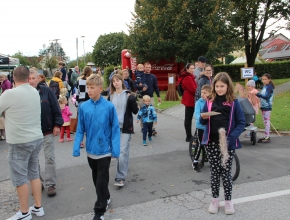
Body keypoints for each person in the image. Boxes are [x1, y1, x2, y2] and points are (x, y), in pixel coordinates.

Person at [73, 74, 120, 220]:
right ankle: (105, 197)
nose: (89, 90)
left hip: (105, 151)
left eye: (92, 88)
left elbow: (115, 128)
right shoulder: (84, 107)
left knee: (101, 180)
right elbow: (80, 128)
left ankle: (99, 212)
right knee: (96, 179)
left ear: (100, 89)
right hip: (90, 151)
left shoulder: (109, 107)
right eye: (88, 87)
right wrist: (76, 146)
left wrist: (116, 149)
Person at [0, 66, 45, 220]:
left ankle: (24, 212)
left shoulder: (9, 94)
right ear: (28, 78)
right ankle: (38, 207)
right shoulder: (34, 91)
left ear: (13, 77)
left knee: (20, 178)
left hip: (19, 141)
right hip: (36, 138)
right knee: (34, 173)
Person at [200, 72, 245, 215]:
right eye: (217, 86)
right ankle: (214, 200)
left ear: (228, 86)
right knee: (214, 172)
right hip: (211, 142)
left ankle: (228, 201)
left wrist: (231, 138)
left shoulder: (233, 102)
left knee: (226, 172)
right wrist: (204, 117)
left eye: (222, 86)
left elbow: (241, 122)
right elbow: (201, 121)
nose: (219, 89)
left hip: (227, 143)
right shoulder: (209, 100)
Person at [29, 68, 63, 197]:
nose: (31, 81)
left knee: (49, 158)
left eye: (33, 78)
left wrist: (57, 124)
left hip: (47, 130)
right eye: (29, 78)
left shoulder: (46, 91)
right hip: (31, 133)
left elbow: (56, 108)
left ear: (38, 78)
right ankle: (37, 183)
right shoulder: (24, 94)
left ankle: (51, 184)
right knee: (33, 161)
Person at [108, 74, 138, 187]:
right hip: (114, 128)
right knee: (118, 152)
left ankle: (120, 178)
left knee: (122, 152)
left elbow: (135, 111)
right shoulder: (111, 96)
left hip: (126, 127)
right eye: (114, 81)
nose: (116, 82)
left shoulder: (128, 95)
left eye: (118, 80)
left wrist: (132, 100)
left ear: (122, 82)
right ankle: (124, 166)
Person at [134, 62, 161, 136]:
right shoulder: (140, 76)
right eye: (146, 67)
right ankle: (143, 127)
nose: (148, 69)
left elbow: (156, 87)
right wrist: (141, 88)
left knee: (151, 113)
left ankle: (152, 129)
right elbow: (135, 85)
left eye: (149, 67)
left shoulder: (153, 76)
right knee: (143, 113)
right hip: (141, 98)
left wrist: (158, 96)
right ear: (144, 68)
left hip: (150, 97)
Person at [193, 84, 212, 172]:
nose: (202, 94)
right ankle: (195, 162)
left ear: (210, 93)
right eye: (202, 92)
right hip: (200, 126)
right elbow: (196, 114)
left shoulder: (211, 102)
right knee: (201, 144)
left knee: (209, 144)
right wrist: (201, 118)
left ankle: (207, 159)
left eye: (205, 93)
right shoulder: (199, 102)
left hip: (209, 127)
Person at [251, 73, 274, 143]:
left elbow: (266, 96)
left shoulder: (269, 87)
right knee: (265, 122)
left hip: (267, 107)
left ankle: (267, 137)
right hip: (263, 106)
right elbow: (262, 96)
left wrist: (257, 94)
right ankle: (266, 136)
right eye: (263, 79)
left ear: (269, 80)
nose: (263, 81)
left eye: (265, 79)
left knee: (267, 122)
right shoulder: (265, 86)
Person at [177, 63, 197, 142]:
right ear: (187, 69)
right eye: (191, 68)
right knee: (188, 118)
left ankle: (190, 135)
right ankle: (188, 136)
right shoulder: (187, 78)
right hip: (190, 100)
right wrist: (199, 92)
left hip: (190, 99)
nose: (193, 70)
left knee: (189, 117)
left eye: (193, 68)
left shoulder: (189, 76)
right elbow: (193, 90)